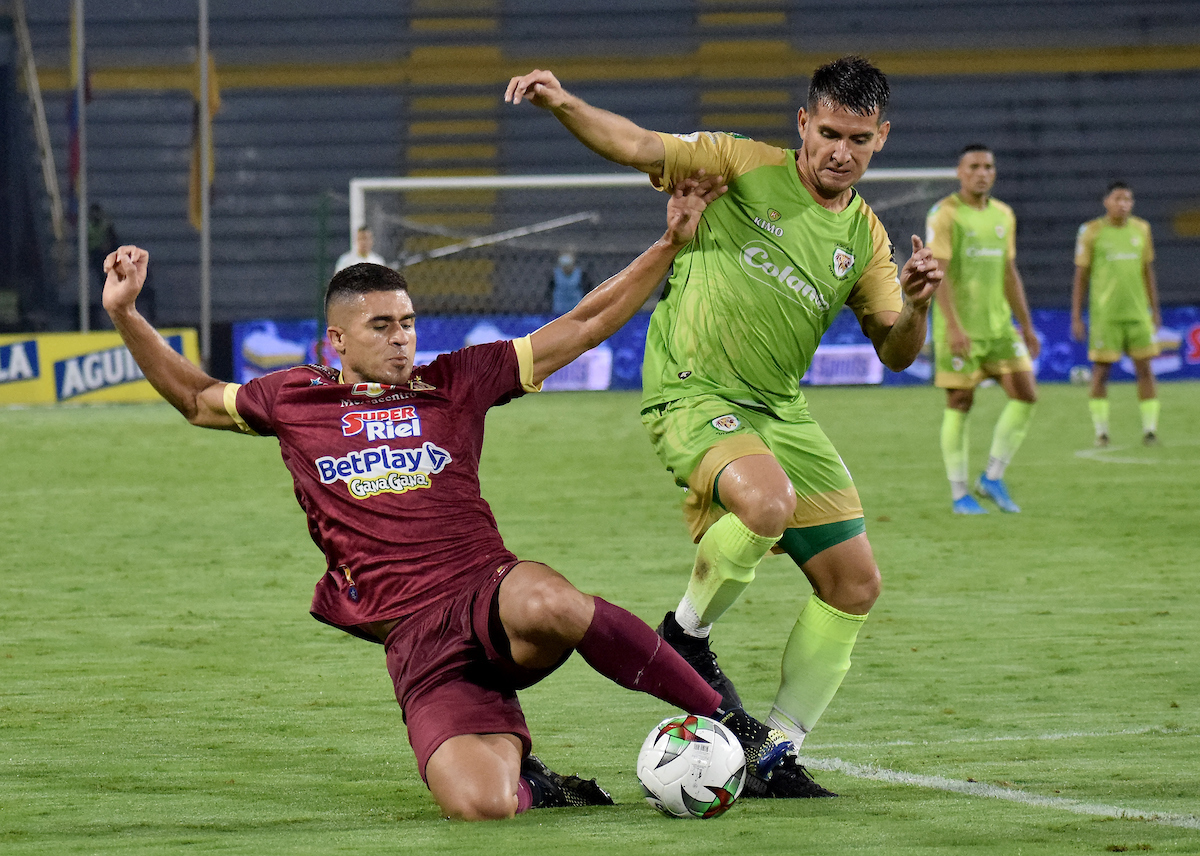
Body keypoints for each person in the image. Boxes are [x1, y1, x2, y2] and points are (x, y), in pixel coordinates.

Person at [102, 176, 796, 821]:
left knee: (551, 600)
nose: (402, 337)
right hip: (414, 639)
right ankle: (535, 781)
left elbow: (583, 324)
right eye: (382, 326)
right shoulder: (292, 397)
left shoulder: (455, 380)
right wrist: (127, 313)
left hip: (489, 594)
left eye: (407, 321)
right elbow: (196, 398)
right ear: (337, 338)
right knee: (480, 806)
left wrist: (671, 242)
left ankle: (729, 722)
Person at [506, 57, 943, 797]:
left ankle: (777, 752)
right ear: (804, 124)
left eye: (860, 139)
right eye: (830, 132)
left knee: (855, 584)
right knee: (766, 504)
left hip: (780, 408)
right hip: (693, 388)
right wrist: (562, 103)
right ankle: (686, 633)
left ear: (881, 138)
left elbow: (897, 351)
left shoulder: (866, 238)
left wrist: (921, 304)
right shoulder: (742, 164)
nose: (842, 151)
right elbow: (637, 145)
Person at [926, 144, 1039, 515]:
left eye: (988, 166)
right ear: (960, 172)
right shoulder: (945, 214)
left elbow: (1009, 272)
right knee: (960, 402)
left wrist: (1027, 325)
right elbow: (937, 274)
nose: (982, 172)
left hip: (1000, 328)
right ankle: (960, 493)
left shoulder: (1004, 214)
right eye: (974, 166)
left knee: (1025, 394)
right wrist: (954, 327)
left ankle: (992, 476)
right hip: (960, 331)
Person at [1071, 181, 1161, 447]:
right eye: (1118, 199)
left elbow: (1147, 271)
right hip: (1105, 317)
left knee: (1145, 369)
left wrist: (1154, 310)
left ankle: (1150, 431)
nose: (1123, 204)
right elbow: (1081, 276)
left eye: (1128, 200)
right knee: (1101, 372)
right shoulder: (1091, 231)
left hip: (1137, 313)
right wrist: (1076, 315)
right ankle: (1101, 432)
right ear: (1106, 202)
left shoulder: (1142, 229)